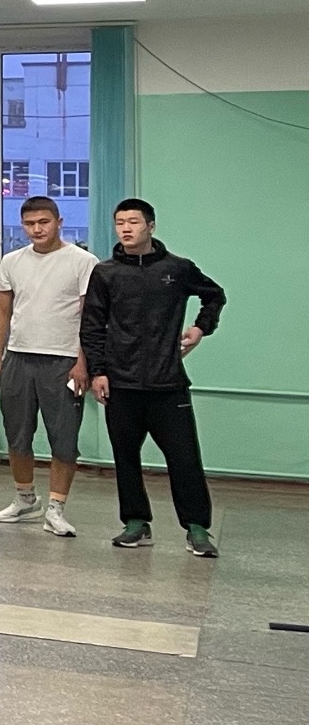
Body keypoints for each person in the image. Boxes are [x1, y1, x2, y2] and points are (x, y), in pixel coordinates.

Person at [82, 198, 226, 555]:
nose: (125, 228)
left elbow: (214, 296)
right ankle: (135, 522)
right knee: (125, 457)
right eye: (120, 223)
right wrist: (98, 371)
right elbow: (93, 326)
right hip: (121, 383)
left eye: (133, 222)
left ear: (150, 226)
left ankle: (197, 528)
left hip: (168, 383)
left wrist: (200, 328)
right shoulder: (106, 273)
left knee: (184, 458)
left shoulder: (177, 269)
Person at [0, 196, 99, 537]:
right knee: (17, 434)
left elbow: (91, 318)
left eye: (43, 222)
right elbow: (1, 313)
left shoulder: (83, 262)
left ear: (59, 222)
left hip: (63, 361)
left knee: (63, 438)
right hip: (19, 358)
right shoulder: (12, 262)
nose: (37, 229)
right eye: (30, 224)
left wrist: (83, 363)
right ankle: (25, 499)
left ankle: (56, 508)